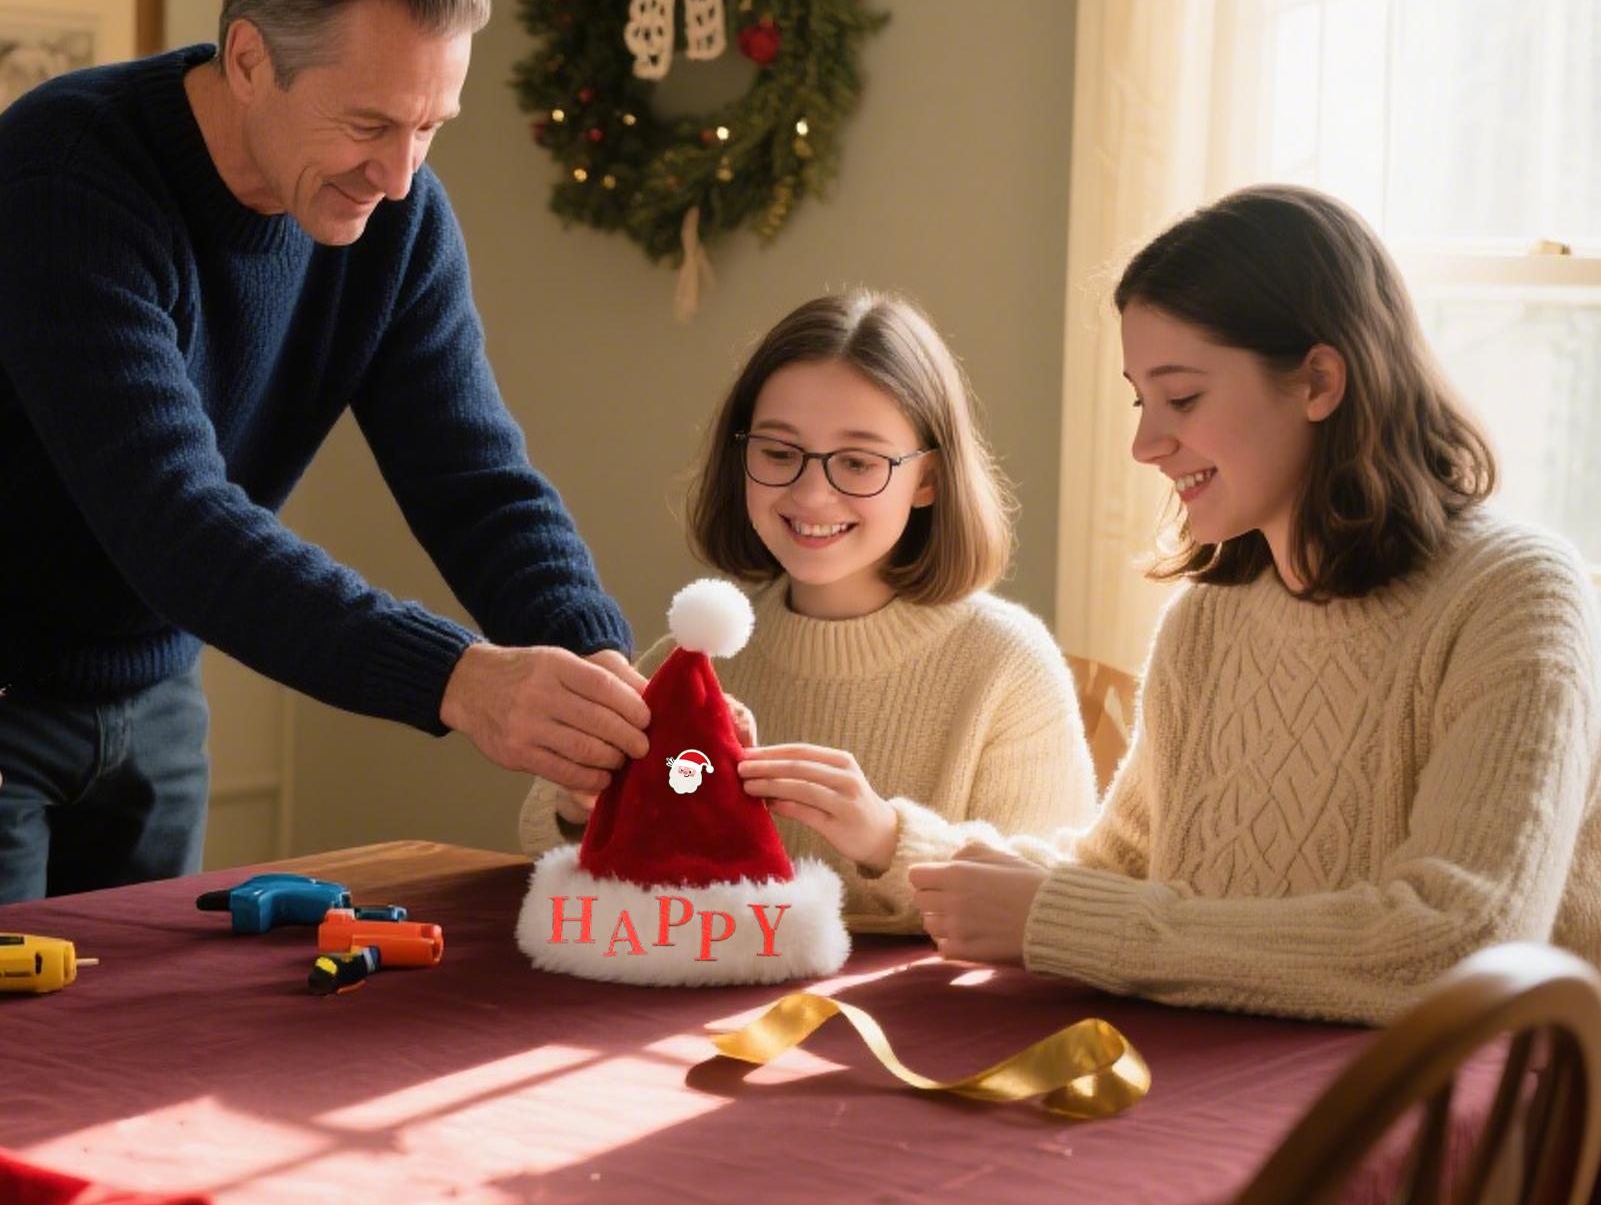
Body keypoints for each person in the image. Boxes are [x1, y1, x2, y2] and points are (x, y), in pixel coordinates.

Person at [0, 0, 649, 904]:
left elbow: (474, 478)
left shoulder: (398, 218)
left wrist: (606, 683)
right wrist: (460, 680)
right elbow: (174, 518)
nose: (397, 175)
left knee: (137, 1038)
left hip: (154, 695)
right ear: (251, 58)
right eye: (370, 123)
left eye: (430, 127)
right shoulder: (65, 176)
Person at [909, 184, 1601, 1024]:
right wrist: (891, 841)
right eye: (1139, 398)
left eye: (1182, 396)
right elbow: (1116, 876)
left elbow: (1457, 943)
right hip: (1222, 1080)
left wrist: (1059, 921)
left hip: (1453, 1123)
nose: (1144, 443)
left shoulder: (1514, 594)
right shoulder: (1208, 620)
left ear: (1316, 380)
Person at [520, 291, 1098, 930]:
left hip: (904, 1027)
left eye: (858, 462)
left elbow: (1054, 892)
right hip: (694, 1013)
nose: (812, 492)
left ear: (928, 479)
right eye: (778, 453)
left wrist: (886, 839)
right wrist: (584, 803)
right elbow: (557, 848)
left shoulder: (1007, 666)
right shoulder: (696, 661)